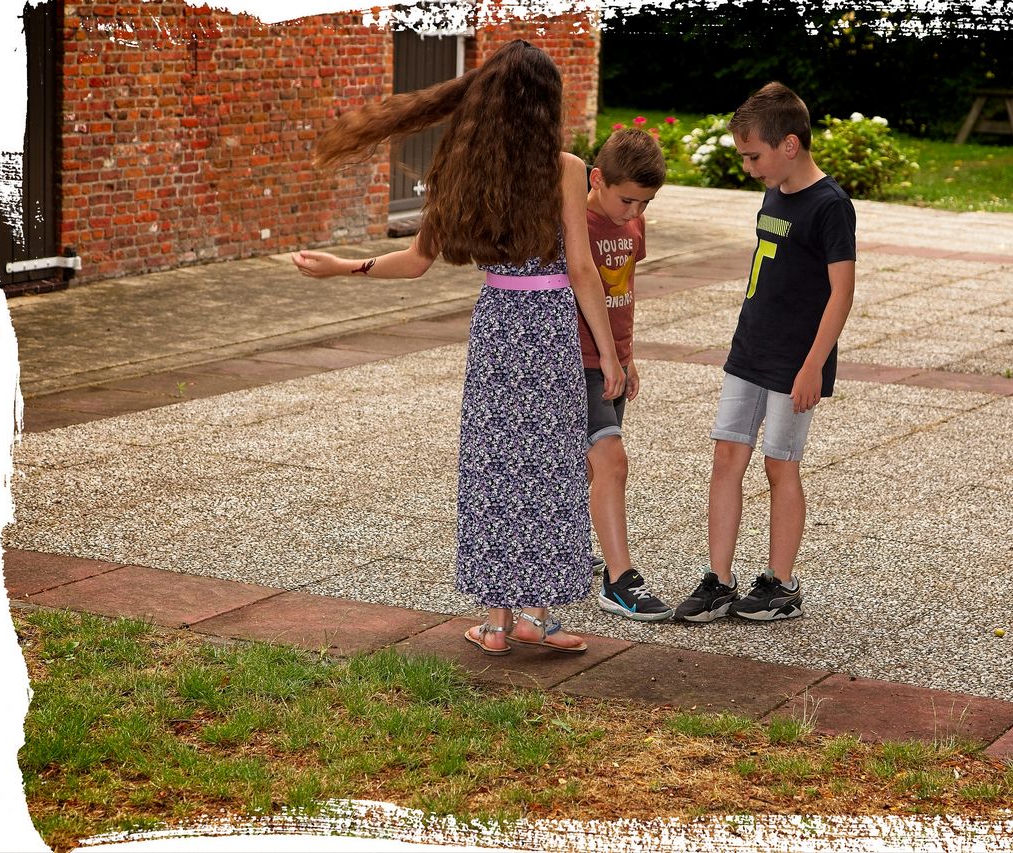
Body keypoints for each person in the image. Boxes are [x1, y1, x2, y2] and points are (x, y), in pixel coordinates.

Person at [291, 40, 625, 655]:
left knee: (495, 467)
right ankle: (538, 617)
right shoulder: (566, 168)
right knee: (550, 466)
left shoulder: (463, 168)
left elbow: (415, 261)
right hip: (550, 328)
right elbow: (581, 268)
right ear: (546, 105)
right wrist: (607, 352)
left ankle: (496, 624)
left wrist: (343, 267)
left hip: (496, 325)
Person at [674, 82, 856, 623]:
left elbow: (842, 293)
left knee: (781, 464)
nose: (748, 166)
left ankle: (781, 583)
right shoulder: (774, 190)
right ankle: (719, 579)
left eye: (753, 155)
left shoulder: (830, 206)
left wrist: (812, 367)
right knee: (727, 457)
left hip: (795, 362)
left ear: (790, 145)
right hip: (749, 350)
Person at [578, 129, 673, 622]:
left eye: (645, 203)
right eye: (627, 200)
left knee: (591, 466)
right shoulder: (576, 224)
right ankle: (619, 580)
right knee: (611, 460)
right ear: (597, 179)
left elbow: (623, 292)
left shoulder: (632, 224)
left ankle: (569, 545)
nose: (634, 212)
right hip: (581, 362)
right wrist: (607, 358)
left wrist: (626, 355)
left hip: (613, 362)